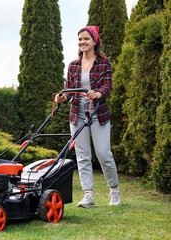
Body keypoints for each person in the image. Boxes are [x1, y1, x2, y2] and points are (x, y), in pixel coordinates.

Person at [55, 26, 121, 207]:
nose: (82, 42)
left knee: (103, 154)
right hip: (77, 114)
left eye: (86, 39)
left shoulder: (104, 63)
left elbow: (107, 87)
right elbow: (69, 90)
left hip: (98, 113)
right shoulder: (73, 65)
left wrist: (98, 94)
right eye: (80, 39)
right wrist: (62, 97)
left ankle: (114, 191)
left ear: (95, 41)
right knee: (82, 155)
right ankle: (88, 196)